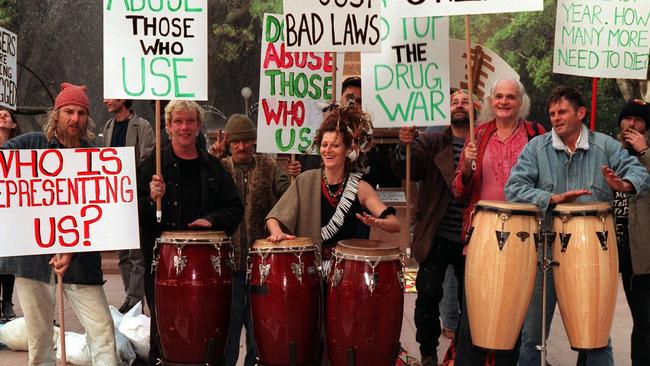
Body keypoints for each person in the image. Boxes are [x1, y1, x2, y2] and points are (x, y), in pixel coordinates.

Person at [505, 86, 650, 366]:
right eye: (552, 114)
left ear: (581, 113)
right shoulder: (537, 147)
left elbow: (640, 173)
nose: (555, 118)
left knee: (596, 338)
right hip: (544, 252)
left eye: (562, 112)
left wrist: (625, 184)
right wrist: (549, 198)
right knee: (533, 337)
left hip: (593, 257)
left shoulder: (605, 146)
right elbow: (514, 187)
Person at [0, 83, 119, 365]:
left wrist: (72, 247)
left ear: (87, 118)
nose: (74, 118)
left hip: (81, 262)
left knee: (104, 334)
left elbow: (100, 214)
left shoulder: (96, 158)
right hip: (34, 261)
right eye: (68, 111)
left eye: (81, 112)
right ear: (57, 114)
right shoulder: (30, 144)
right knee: (39, 340)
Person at [138, 100, 243, 365]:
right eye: (178, 122)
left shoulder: (213, 167)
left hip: (207, 265)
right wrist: (151, 199)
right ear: (168, 126)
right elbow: (132, 213)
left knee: (206, 328)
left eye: (190, 121)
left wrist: (212, 220)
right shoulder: (152, 166)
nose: (184, 127)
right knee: (164, 332)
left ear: (198, 126)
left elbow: (234, 207)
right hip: (163, 264)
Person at [451, 78, 545, 366]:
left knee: (514, 315)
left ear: (521, 102)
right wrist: (466, 166)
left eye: (511, 97)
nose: (504, 102)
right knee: (474, 315)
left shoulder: (536, 134)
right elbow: (459, 190)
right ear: (491, 102)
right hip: (482, 235)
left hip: (523, 236)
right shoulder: (477, 135)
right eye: (499, 97)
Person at [390, 89, 480, 366]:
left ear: (476, 108)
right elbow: (410, 168)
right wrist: (403, 145)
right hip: (436, 233)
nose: (459, 105)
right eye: (454, 102)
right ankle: (428, 352)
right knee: (428, 296)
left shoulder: (485, 141)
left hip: (473, 237)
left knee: (473, 302)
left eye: (465, 101)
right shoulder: (430, 140)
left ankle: (463, 352)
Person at [209, 113, 294, 366]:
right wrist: (212, 159)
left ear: (254, 142)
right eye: (236, 142)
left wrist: (293, 176)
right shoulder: (220, 168)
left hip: (262, 264)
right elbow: (204, 189)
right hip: (228, 262)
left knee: (259, 326)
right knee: (230, 326)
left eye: (246, 141)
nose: (242, 146)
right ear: (228, 144)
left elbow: (290, 196)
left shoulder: (269, 167)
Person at [266, 105, 400, 250]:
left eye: (335, 145)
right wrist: (277, 233)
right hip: (310, 266)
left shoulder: (360, 188)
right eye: (324, 145)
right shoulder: (306, 180)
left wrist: (377, 222)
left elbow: (395, 225)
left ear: (348, 150)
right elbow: (273, 218)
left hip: (347, 268)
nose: (327, 150)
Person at [102, 98, 155, 314]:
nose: (106, 100)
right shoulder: (108, 126)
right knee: (123, 253)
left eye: (111, 96)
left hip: (134, 196)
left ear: (123, 98)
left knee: (136, 253)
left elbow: (148, 159)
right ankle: (129, 297)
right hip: (114, 198)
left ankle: (134, 300)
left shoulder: (142, 126)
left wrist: (128, 179)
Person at [611, 99, 650, 366]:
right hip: (613, 250)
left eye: (638, 120)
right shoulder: (612, 152)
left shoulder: (646, 152)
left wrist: (645, 151)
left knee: (645, 321)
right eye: (627, 119)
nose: (631, 124)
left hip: (643, 253)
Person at [0, 106, 19, 322]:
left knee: (8, 255)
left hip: (13, 209)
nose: (3, 117)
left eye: (7, 115)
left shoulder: (20, 150)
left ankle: (7, 300)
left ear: (13, 124)